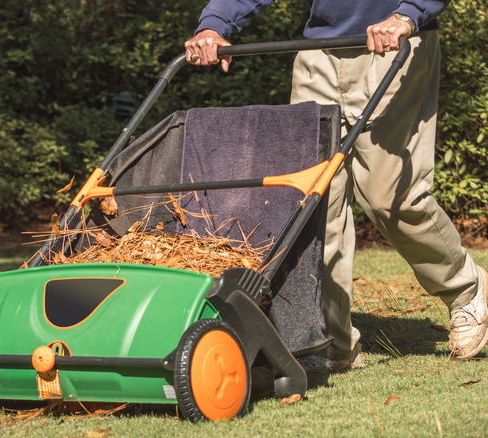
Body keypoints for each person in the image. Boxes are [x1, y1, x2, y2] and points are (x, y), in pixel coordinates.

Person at [185, 1, 487, 370]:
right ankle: (329, 341)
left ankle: (466, 288)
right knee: (314, 203)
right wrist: (214, 25)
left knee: (390, 199)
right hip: (319, 53)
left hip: (396, 44)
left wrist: (407, 15)